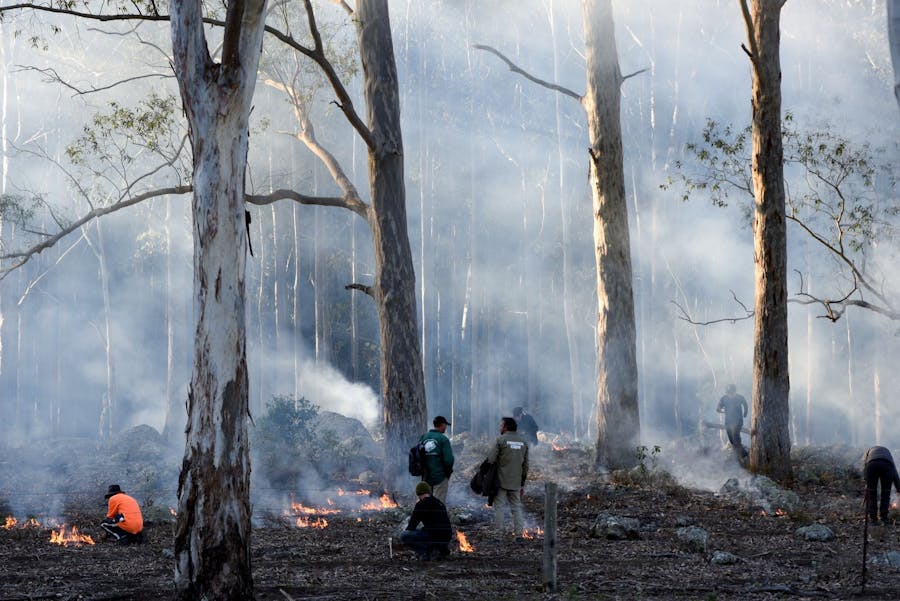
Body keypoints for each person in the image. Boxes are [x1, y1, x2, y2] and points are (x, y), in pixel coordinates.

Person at [487, 417, 529, 539]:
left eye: (501, 425)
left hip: (500, 482)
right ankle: (519, 535)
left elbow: (490, 459)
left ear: (506, 427)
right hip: (516, 482)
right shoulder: (523, 442)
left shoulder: (501, 440)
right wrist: (522, 483)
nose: (500, 427)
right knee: (516, 508)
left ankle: (498, 536)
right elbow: (526, 465)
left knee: (499, 508)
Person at [399, 481, 452, 561]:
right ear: (429, 492)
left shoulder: (421, 504)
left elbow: (412, 526)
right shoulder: (439, 502)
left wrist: (405, 530)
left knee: (405, 535)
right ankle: (440, 549)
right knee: (430, 531)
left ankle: (425, 552)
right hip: (447, 536)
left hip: (434, 536)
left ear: (418, 494)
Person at [419, 415, 455, 503]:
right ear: (442, 425)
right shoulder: (443, 439)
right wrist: (447, 473)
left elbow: (418, 456)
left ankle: (426, 517)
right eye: (445, 425)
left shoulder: (424, 437)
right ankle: (436, 517)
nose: (446, 427)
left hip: (426, 477)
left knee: (426, 503)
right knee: (438, 505)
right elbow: (449, 460)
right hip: (440, 477)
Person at [863, 446, 900, 526]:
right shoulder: (888, 455)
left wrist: (866, 479)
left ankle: (873, 519)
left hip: (872, 466)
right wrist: (898, 488)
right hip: (887, 466)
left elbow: (865, 466)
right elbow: (895, 473)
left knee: (872, 494)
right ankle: (884, 518)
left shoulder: (869, 452)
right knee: (885, 494)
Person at [716, 384, 748, 454]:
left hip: (738, 420)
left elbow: (745, 404)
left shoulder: (740, 397)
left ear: (735, 391)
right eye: (728, 393)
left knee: (735, 434)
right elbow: (718, 407)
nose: (730, 394)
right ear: (726, 393)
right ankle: (740, 451)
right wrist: (719, 409)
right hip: (728, 421)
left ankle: (741, 452)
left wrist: (745, 413)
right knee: (730, 436)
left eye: (732, 392)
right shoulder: (724, 398)